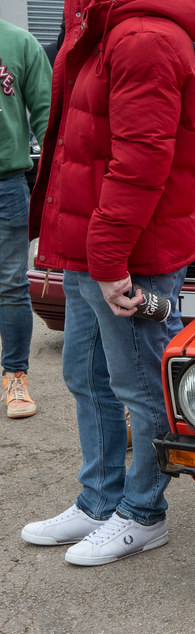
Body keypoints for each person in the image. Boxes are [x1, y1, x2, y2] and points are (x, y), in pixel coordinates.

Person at [21, 0, 195, 566]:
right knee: (85, 376)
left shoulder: (142, 38)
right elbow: (78, 145)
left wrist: (108, 259)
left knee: (139, 387)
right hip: (96, 244)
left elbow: (141, 160)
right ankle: (99, 501)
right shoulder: (101, 29)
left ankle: (143, 512)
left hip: (132, 251)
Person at [0, 19, 51, 420]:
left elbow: (48, 114)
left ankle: (15, 375)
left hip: (7, 182)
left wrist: (58, 180)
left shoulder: (19, 43)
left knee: (11, 285)